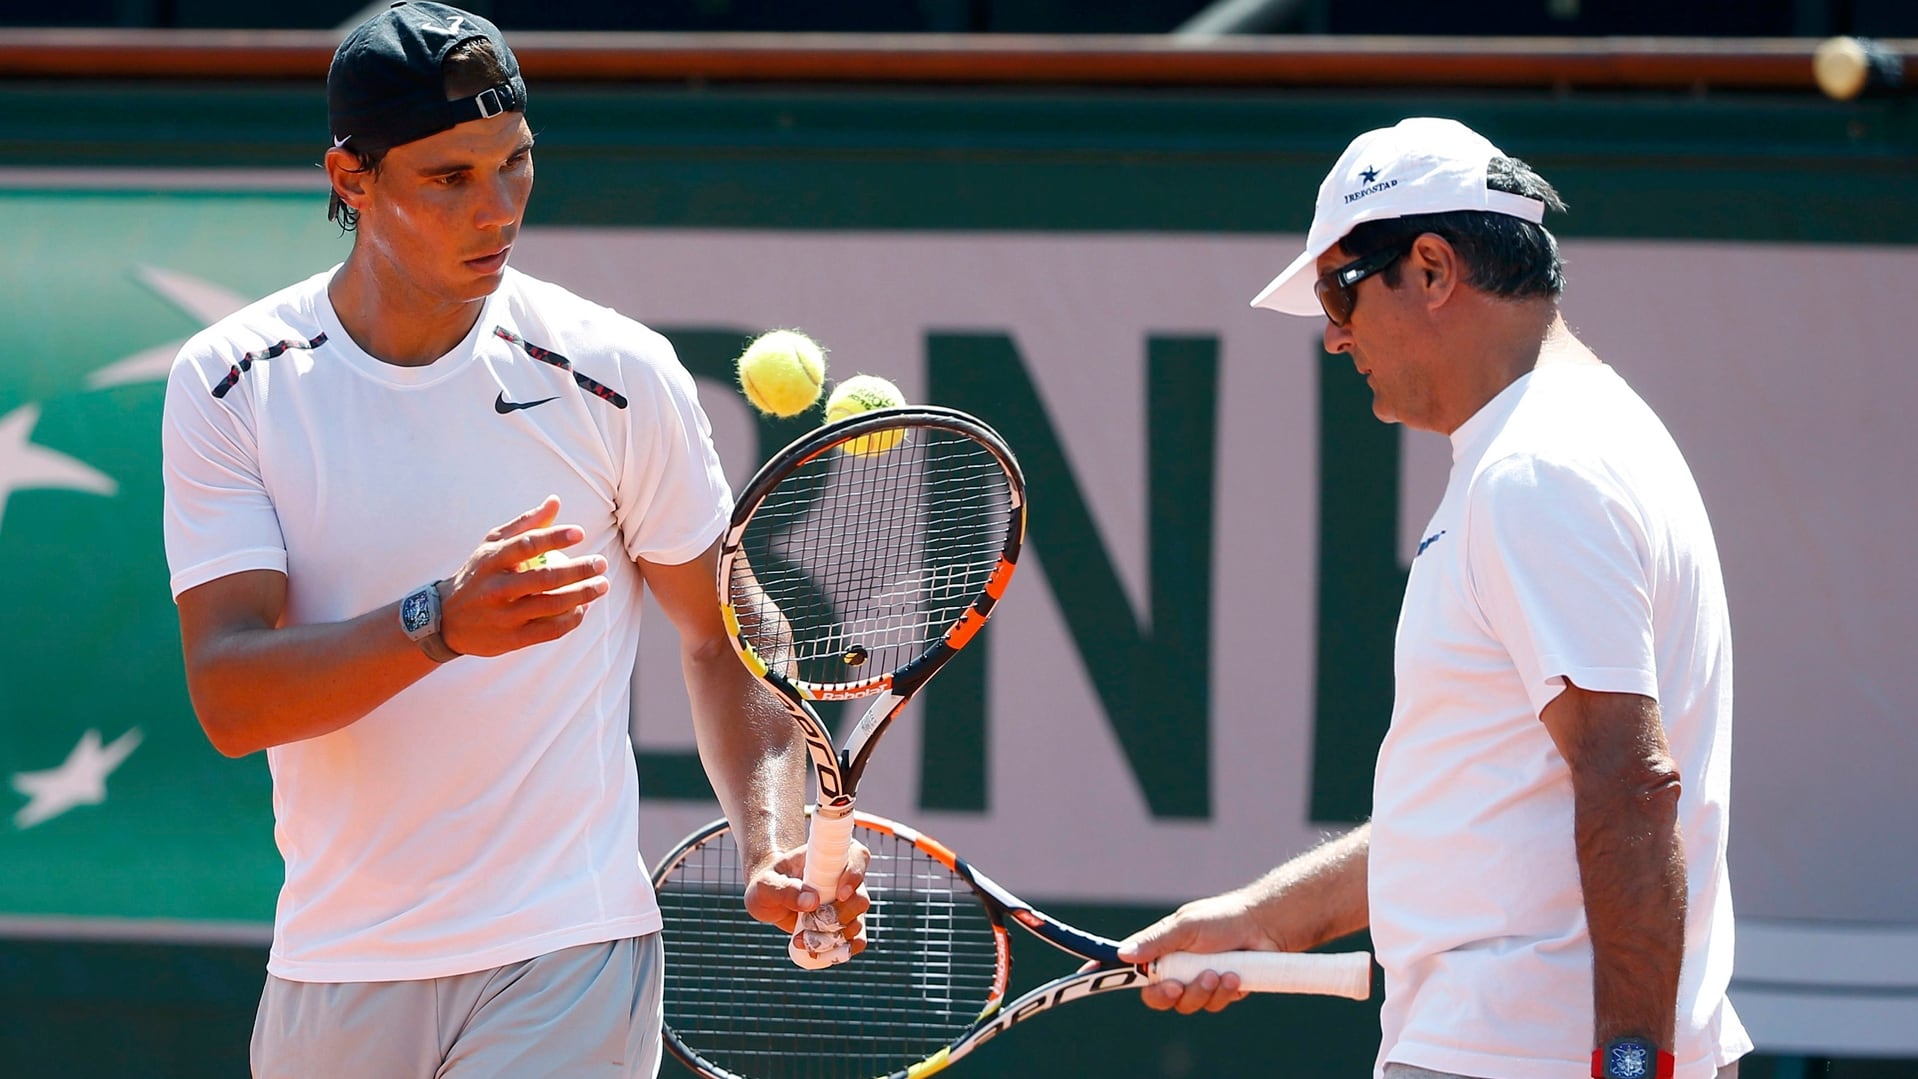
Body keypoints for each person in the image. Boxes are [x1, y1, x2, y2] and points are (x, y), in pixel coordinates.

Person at [160, 4, 865, 1075]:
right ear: (350, 179)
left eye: (515, 164)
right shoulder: (229, 383)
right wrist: (438, 626)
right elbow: (231, 695)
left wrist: (771, 843)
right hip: (333, 965)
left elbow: (726, 637)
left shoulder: (613, 373)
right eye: (450, 178)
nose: (497, 210)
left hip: (565, 957)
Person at [1117, 118, 1750, 1079]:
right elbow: (1483, 805)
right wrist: (1264, 918)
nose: (1333, 334)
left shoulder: (1539, 469)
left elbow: (1631, 782)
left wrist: (1631, 1070)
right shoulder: (1569, 438)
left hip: (1519, 1056)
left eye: (1339, 288)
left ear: (1432, 267)